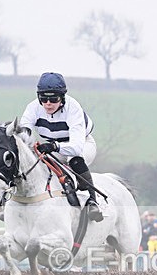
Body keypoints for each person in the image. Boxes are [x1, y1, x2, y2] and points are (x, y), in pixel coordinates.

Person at [21, 72, 103, 222]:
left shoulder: (73, 108)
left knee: (75, 160)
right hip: (53, 146)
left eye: (53, 98)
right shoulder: (32, 108)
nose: (48, 103)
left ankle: (92, 200)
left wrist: (54, 146)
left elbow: (76, 147)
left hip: (81, 143)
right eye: (43, 98)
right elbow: (24, 130)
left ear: (62, 97)